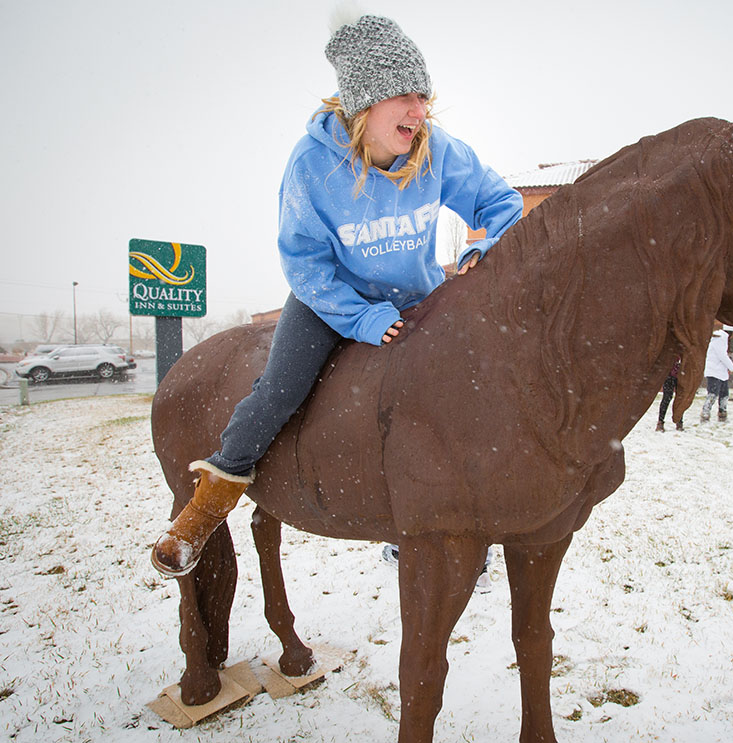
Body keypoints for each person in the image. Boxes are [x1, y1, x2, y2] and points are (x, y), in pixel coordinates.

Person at [151, 14, 523, 578]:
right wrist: (361, 317)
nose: (420, 111)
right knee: (280, 388)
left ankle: (453, 522)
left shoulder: (438, 150)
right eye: (404, 96)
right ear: (363, 103)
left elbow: (501, 203)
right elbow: (305, 263)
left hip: (417, 295)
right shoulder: (311, 164)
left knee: (468, 389)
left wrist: (485, 245)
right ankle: (206, 506)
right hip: (329, 299)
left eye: (424, 96)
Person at [701, 329, 733, 422]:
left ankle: (722, 411)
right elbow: (722, 356)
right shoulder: (721, 339)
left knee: (724, 394)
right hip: (714, 372)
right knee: (713, 393)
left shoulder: (719, 338)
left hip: (721, 372)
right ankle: (706, 411)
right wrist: (731, 366)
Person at [656, 357, 683, 431]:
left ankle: (679, 422)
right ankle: (660, 422)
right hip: (669, 375)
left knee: (680, 399)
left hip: (681, 376)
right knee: (667, 398)